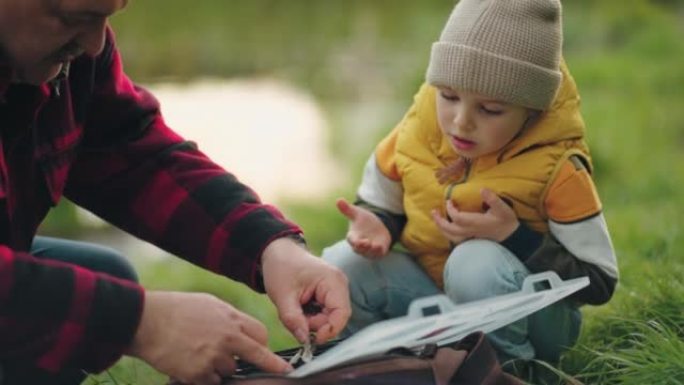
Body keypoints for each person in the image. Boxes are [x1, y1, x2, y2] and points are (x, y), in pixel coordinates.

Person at [0, 0, 350, 384]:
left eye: (104, 19)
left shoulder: (67, 56)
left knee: (103, 276)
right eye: (72, 19)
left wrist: (270, 248)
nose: (96, 44)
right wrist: (139, 322)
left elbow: (132, 153)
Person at [322, 0, 618, 374]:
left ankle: (511, 374)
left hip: (534, 319)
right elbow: (381, 200)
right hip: (440, 305)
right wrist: (381, 222)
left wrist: (513, 237)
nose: (461, 123)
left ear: (533, 111)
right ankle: (385, 373)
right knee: (340, 265)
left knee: (474, 263)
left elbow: (599, 281)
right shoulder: (418, 131)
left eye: (490, 110)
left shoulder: (558, 168)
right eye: (448, 96)